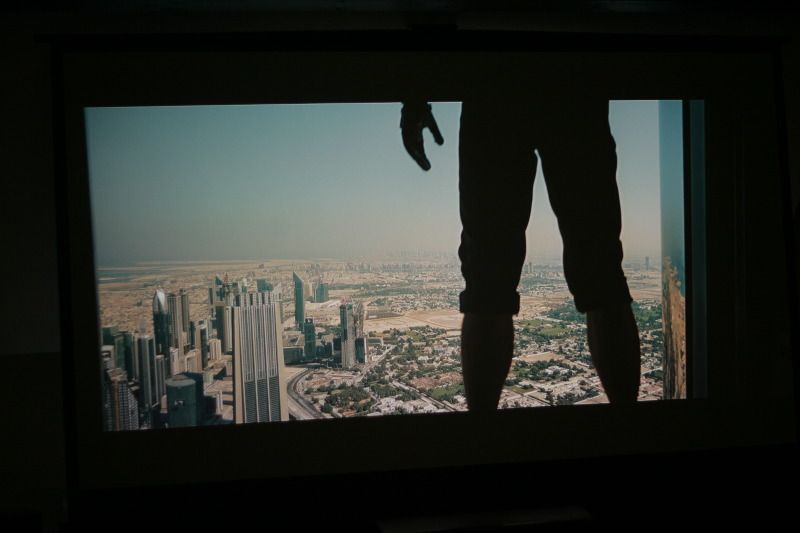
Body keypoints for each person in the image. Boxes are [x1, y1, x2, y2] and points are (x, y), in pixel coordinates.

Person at [400, 97, 641, 411]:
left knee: (487, 282)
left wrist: (413, 103)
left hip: (494, 94)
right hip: (573, 93)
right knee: (601, 273)